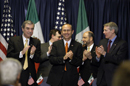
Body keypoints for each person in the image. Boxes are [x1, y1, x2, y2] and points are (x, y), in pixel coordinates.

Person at [7, 20, 41, 86]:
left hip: (30, 76)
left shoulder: (36, 42)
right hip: (17, 74)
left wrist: (32, 54)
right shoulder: (13, 40)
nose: (30, 31)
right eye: (27, 28)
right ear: (22, 29)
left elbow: (38, 59)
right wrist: (21, 53)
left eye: (32, 29)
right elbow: (9, 56)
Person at [95, 22, 128, 86]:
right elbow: (98, 61)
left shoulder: (122, 43)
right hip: (101, 78)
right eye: (103, 30)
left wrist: (104, 53)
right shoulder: (102, 42)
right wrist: (98, 57)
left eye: (105, 30)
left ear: (113, 31)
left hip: (113, 78)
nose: (103, 32)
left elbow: (119, 59)